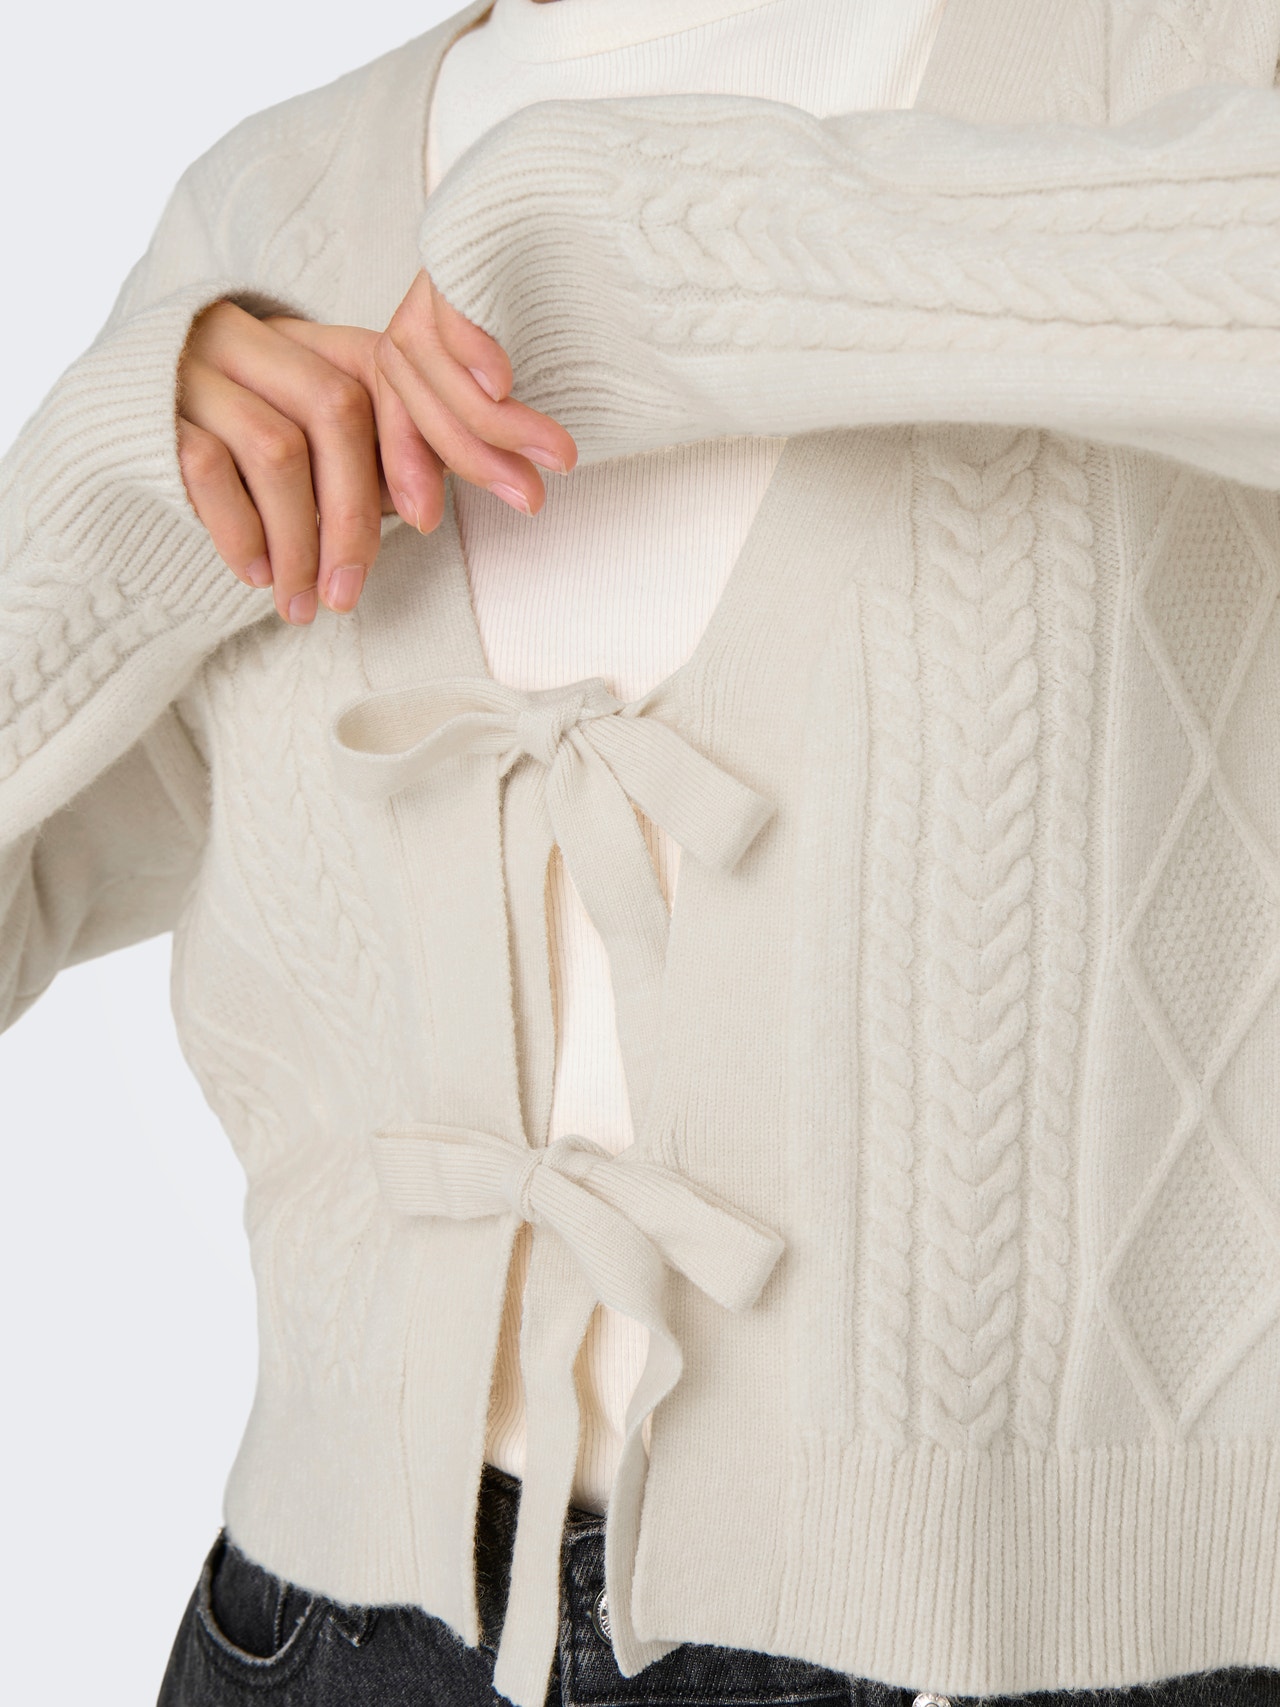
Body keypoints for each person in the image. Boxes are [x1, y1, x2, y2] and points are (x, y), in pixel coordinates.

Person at [3, 1, 1280, 1704]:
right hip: (337, 1642)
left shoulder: (1186, 54)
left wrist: (702, 248)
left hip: (1054, 1648)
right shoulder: (272, 208)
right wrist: (95, 512)